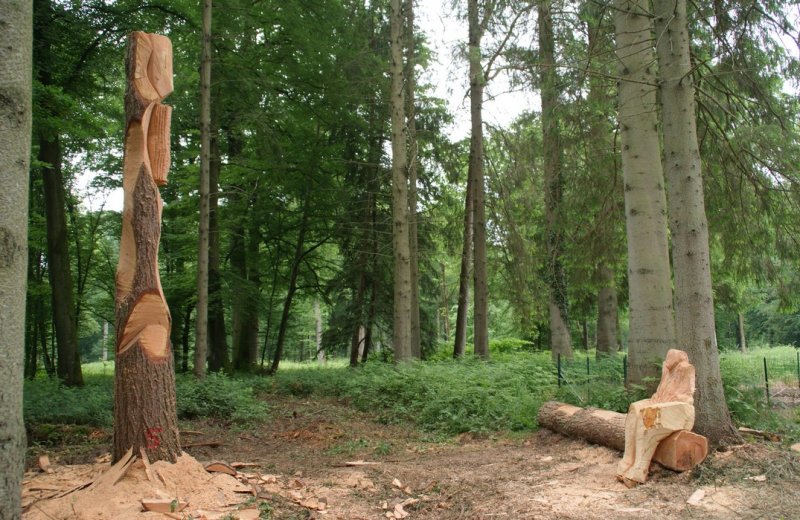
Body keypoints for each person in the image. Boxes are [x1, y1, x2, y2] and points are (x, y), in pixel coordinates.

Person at [617, 349, 696, 485]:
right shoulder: (667, 370)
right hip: (664, 405)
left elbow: (686, 398)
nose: (667, 360)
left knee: (648, 418)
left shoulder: (686, 369)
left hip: (681, 411)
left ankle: (639, 470)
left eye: (670, 357)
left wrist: (662, 403)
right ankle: (627, 461)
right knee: (634, 410)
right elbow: (659, 394)